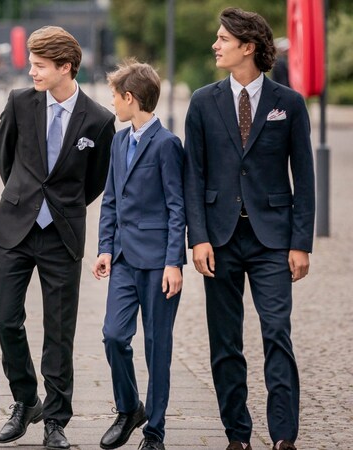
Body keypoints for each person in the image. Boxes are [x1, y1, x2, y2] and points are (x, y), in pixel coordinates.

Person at [184, 8, 315, 450]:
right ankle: (237, 435)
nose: (216, 45)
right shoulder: (202, 101)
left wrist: (301, 243)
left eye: (223, 39)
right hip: (218, 240)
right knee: (225, 341)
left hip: (272, 240)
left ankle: (283, 436)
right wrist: (197, 237)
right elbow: (193, 176)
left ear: (249, 47)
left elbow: (306, 176)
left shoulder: (289, 103)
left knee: (277, 331)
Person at [0, 26, 115, 450]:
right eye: (31, 64)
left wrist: (61, 206)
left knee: (59, 330)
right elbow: (5, 160)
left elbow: (96, 181)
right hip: (15, 228)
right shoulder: (19, 103)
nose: (32, 72)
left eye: (40, 66)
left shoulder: (99, 120)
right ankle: (26, 400)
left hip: (63, 234)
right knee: (6, 319)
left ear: (66, 67)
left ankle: (56, 420)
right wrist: (24, 199)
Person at [92, 60, 185, 450]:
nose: (111, 103)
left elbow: (177, 207)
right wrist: (105, 248)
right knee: (113, 335)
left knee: (157, 348)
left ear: (130, 98)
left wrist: (173, 263)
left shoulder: (166, 145)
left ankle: (155, 432)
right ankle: (129, 407)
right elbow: (111, 199)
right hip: (125, 262)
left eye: (115, 96)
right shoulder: (118, 141)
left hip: (159, 264)